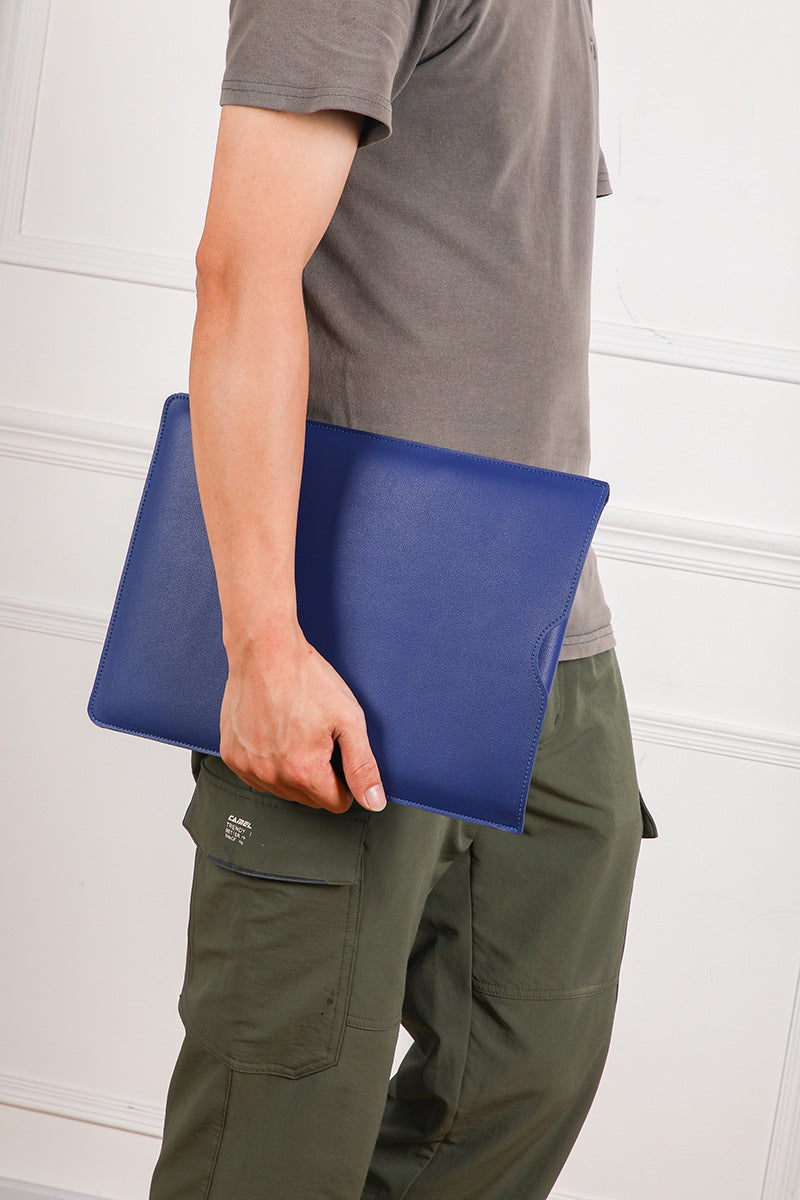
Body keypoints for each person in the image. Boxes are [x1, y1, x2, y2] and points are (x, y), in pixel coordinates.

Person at [149, 0, 657, 1196]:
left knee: (520, 1074)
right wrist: (263, 644)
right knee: (273, 1139)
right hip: (354, 622)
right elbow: (240, 273)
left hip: (540, 613)